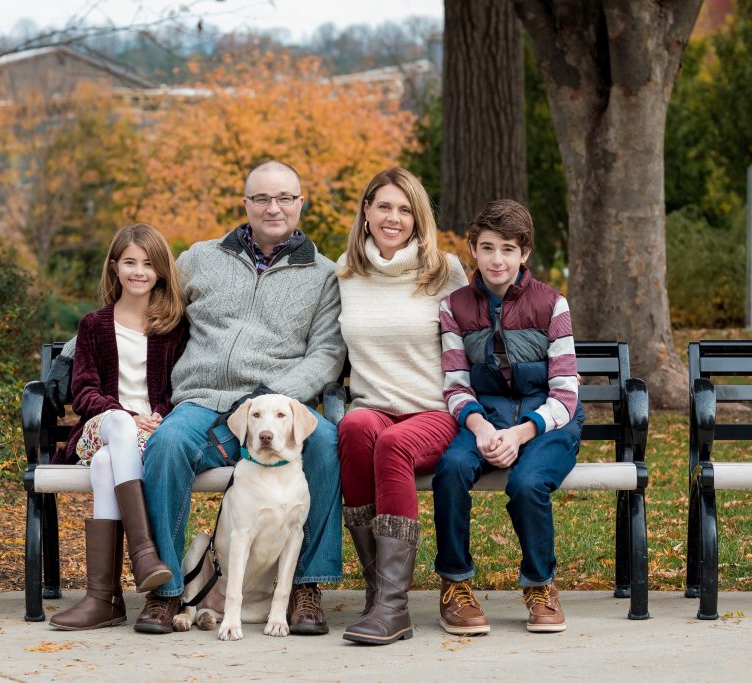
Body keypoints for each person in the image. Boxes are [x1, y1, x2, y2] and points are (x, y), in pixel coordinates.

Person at [133, 160, 345, 635]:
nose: (275, 208)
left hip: (275, 407)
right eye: (262, 198)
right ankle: (167, 591)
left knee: (329, 442)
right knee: (167, 446)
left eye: (285, 198)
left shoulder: (323, 275)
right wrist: (80, 348)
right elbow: (146, 309)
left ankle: (307, 589)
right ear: (245, 203)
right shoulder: (199, 259)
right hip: (202, 402)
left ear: (300, 204)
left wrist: (270, 404)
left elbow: (327, 354)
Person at [434, 199, 583, 634]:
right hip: (488, 415)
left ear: (524, 253)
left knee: (527, 482)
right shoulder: (454, 307)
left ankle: (540, 585)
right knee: (452, 466)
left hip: (550, 419)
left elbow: (566, 390)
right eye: (487, 248)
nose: (497, 259)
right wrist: (479, 427)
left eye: (507, 249)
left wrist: (521, 433)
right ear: (473, 251)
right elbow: (456, 384)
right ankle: (455, 583)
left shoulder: (552, 304)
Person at [336, 168, 468, 645]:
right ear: (366, 212)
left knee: (393, 445)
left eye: (405, 209)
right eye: (384, 206)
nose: (394, 217)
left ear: (418, 217)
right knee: (352, 428)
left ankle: (394, 607)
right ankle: (378, 592)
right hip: (372, 406)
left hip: (433, 411)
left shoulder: (444, 271)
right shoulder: (345, 273)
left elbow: (468, 352)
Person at [50, 223, 188, 631]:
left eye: (148, 264)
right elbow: (85, 391)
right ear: (114, 267)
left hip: (151, 435)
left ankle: (104, 598)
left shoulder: (172, 327)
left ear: (160, 271)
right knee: (117, 432)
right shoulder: (93, 325)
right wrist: (125, 415)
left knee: (108, 464)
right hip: (102, 426)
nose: (138, 271)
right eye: (129, 262)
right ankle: (144, 553)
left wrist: (160, 415)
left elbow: (178, 388)